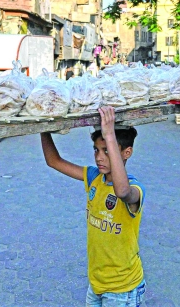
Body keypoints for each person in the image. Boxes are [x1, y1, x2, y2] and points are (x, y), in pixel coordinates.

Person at [41, 107, 146, 307]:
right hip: (97, 283)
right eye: (96, 150)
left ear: (127, 153)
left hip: (123, 289)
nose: (99, 157)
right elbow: (53, 161)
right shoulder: (94, 178)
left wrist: (109, 133)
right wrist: (43, 128)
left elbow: (122, 191)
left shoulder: (135, 189)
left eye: (107, 151)